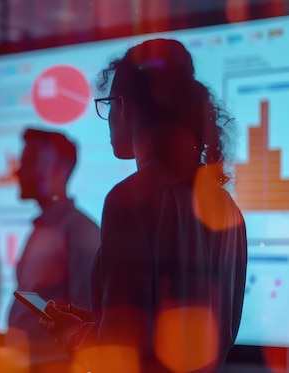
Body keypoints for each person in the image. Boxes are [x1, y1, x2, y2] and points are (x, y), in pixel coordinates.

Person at [41, 38, 247, 373]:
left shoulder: (132, 198)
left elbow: (121, 354)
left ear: (125, 106)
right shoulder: (227, 209)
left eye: (107, 105)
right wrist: (99, 320)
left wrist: (73, 334)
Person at [7, 128, 101, 372]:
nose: (18, 171)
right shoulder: (42, 228)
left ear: (58, 169)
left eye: (28, 163)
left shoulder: (81, 232)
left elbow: (86, 318)